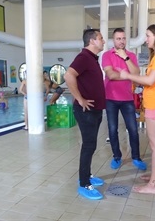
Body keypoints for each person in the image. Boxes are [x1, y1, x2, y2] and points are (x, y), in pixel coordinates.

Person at [120, 24, 155, 194]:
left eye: (148, 35)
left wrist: (127, 76)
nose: (146, 39)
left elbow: (150, 81)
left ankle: (152, 185)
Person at [64, 29, 106, 200]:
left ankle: (87, 176)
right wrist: (80, 99)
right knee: (88, 145)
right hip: (86, 110)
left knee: (91, 145)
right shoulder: (84, 57)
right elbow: (68, 75)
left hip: (94, 109)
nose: (103, 41)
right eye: (101, 38)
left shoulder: (93, 59)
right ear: (92, 41)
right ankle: (83, 184)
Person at [101, 28, 147, 170]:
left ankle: (136, 157)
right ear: (113, 40)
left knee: (133, 129)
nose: (121, 41)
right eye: (118, 38)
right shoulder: (106, 55)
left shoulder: (131, 56)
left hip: (127, 98)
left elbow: (137, 73)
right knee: (113, 129)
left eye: (123, 38)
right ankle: (117, 156)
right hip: (110, 98)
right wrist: (127, 75)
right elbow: (111, 75)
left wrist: (125, 58)